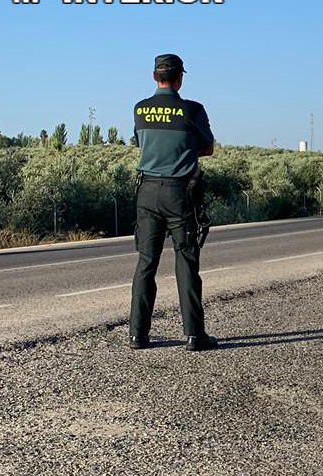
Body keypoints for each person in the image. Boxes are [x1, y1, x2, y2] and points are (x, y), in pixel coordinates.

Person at [129, 53, 218, 351]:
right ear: (179, 78)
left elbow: (141, 143)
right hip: (180, 194)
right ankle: (194, 335)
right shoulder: (193, 111)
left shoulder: (140, 110)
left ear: (155, 77)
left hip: (147, 193)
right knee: (187, 261)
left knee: (146, 263)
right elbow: (208, 148)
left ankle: (137, 335)